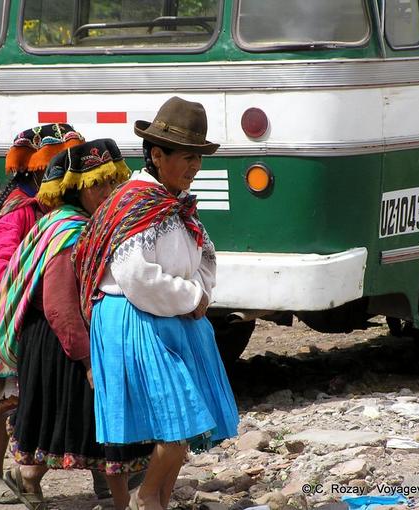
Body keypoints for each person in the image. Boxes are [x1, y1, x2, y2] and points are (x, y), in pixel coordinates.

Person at [74, 97, 240, 510]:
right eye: (186, 157)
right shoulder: (136, 203)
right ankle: (145, 495)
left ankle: (157, 501)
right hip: (138, 319)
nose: (193, 167)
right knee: (178, 426)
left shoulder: (174, 204)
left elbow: (205, 254)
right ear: (156, 154)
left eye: (197, 158)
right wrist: (192, 297)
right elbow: (135, 276)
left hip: (175, 319)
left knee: (183, 429)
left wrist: (200, 292)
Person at [0, 139, 151, 510]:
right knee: (70, 418)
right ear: (75, 188)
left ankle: (95, 485)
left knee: (75, 421)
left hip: (64, 336)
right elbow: (60, 305)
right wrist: (86, 359)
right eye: (97, 184)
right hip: (59, 340)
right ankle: (33, 480)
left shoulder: (78, 222)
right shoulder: (71, 232)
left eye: (112, 182)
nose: (107, 192)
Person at [0, 123, 84, 504]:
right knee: (8, 404)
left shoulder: (60, 208)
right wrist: (27, 279)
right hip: (6, 313)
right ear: (35, 171)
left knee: (57, 393)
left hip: (42, 314)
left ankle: (84, 472)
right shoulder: (19, 212)